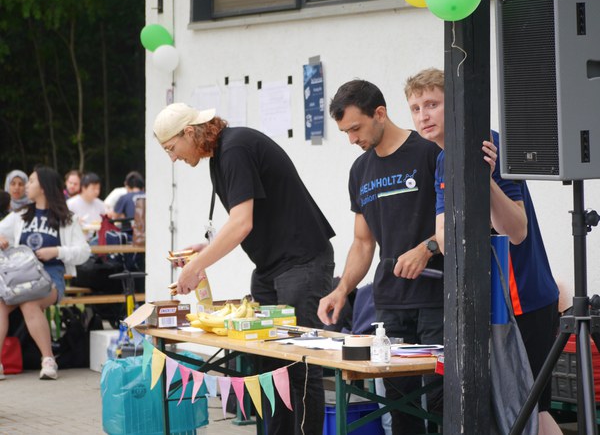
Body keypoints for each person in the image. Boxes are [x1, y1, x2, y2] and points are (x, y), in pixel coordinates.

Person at [153, 102, 336, 435]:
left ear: (190, 133)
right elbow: (244, 218)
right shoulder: (220, 156)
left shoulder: (234, 148)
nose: (173, 157)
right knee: (270, 368)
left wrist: (196, 266)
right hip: (270, 267)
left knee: (299, 364)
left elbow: (241, 224)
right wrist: (206, 251)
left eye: (171, 148)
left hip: (302, 260)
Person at [405, 67, 561, 434]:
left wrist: (486, 182)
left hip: (525, 295)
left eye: (432, 104)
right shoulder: (443, 160)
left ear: (456, 105)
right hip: (485, 301)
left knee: (531, 409)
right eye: (414, 108)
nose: (423, 116)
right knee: (499, 409)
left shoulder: (490, 145)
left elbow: (517, 231)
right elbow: (445, 237)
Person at [317, 80, 443, 434]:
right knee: (400, 407)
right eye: (345, 132)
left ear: (381, 114)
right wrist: (341, 290)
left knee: (442, 402)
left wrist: (427, 247)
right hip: (390, 305)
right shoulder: (360, 171)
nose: (351, 139)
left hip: (437, 298)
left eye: (355, 128)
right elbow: (362, 243)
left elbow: (460, 220)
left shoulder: (430, 153)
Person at [0, 166, 90, 380]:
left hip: (50, 277)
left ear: (43, 186)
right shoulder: (20, 215)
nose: (26, 186)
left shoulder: (66, 218)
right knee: (1, 303)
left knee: (30, 302)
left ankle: (48, 360)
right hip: (20, 277)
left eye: (31, 181)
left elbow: (84, 252)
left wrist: (57, 251)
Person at [66, 172, 106, 237]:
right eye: (93, 188)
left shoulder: (101, 204)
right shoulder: (70, 204)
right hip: (76, 240)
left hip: (97, 240)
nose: (97, 191)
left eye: (98, 188)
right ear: (84, 188)